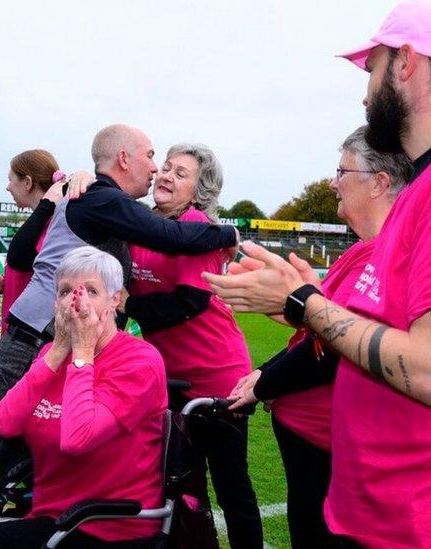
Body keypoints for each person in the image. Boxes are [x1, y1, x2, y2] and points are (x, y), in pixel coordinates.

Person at [205, 1, 431, 546]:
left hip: (428, 527)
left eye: (372, 68)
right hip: (386, 515)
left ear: (406, 64)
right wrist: (302, 300)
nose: (365, 92)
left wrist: (305, 302)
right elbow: (392, 326)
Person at [0, 124, 238, 527]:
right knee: (2, 462)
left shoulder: (97, 196)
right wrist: (230, 232)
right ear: (124, 158)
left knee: (45, 463)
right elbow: (169, 236)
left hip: (56, 343)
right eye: (151, 157)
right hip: (41, 346)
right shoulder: (101, 199)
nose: (155, 170)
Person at [227, 126, 411, 547]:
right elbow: (321, 331)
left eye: (342, 170)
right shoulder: (361, 249)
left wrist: (264, 381)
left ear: (379, 182)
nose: (333, 182)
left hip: (328, 443)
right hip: (311, 438)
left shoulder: (388, 253)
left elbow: (334, 347)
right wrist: (291, 315)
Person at [0, 246, 167, 548]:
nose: (75, 301)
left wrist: (82, 352)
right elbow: (7, 423)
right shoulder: (53, 355)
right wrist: (57, 350)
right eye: (66, 291)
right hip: (52, 518)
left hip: (106, 527)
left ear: (115, 299)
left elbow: (77, 440)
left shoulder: (139, 360)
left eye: (90, 291)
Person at [121, 143, 261, 548]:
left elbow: (189, 303)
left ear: (198, 192)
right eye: (165, 167)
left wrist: (131, 304)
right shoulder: (143, 226)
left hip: (217, 377)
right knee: (182, 485)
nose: (166, 176)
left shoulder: (196, 225)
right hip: (169, 379)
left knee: (232, 487)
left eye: (181, 174)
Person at [0, 149, 65, 334]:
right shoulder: (42, 223)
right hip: (21, 334)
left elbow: (52, 283)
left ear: (27, 182)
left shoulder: (51, 226)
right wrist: (6, 285)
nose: (8, 187)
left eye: (10, 179)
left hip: (31, 340)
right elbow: (37, 275)